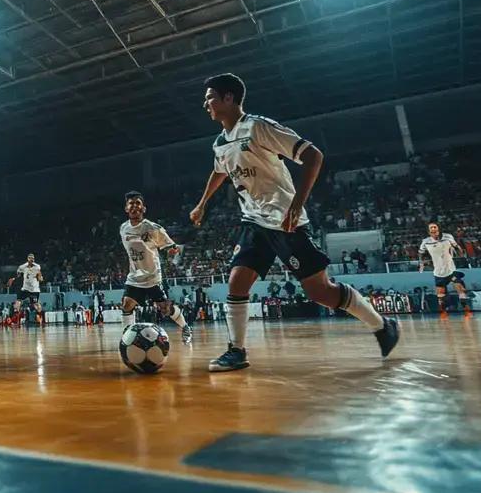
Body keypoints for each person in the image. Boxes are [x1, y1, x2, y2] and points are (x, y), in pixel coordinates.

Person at [189, 73, 398, 373]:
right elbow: (219, 171)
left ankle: (382, 325)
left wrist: (297, 204)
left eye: (210, 97)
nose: (205, 103)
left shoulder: (259, 127)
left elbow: (313, 155)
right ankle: (237, 351)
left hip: (287, 221)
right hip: (254, 221)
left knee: (321, 292)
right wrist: (202, 204)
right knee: (237, 280)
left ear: (228, 98)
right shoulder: (220, 143)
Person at [118, 191, 192, 343]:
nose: (135, 206)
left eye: (138, 203)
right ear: (126, 208)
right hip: (135, 277)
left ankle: (185, 327)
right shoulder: (123, 228)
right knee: (126, 304)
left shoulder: (153, 228)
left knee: (165, 309)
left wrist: (173, 250)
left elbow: (171, 246)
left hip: (152, 277)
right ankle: (127, 337)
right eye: (131, 204)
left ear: (144, 208)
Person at [419, 222, 472, 318]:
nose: (433, 229)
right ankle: (443, 312)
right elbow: (421, 253)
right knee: (440, 295)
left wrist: (462, 255)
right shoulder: (425, 242)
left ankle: (467, 311)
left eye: (435, 227)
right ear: (429, 231)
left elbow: (456, 247)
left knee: (460, 289)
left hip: (451, 270)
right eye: (431, 228)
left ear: (438, 228)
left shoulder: (448, 237)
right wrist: (422, 263)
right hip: (438, 273)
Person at [7, 253, 44, 326]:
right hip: (25, 288)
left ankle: (40, 317)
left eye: (33, 258)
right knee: (18, 301)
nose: (32, 259)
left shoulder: (37, 266)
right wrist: (13, 279)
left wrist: (40, 278)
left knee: (36, 305)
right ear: (28, 259)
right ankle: (14, 319)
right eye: (30, 258)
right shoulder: (22, 267)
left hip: (34, 289)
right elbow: (18, 275)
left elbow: (39, 275)